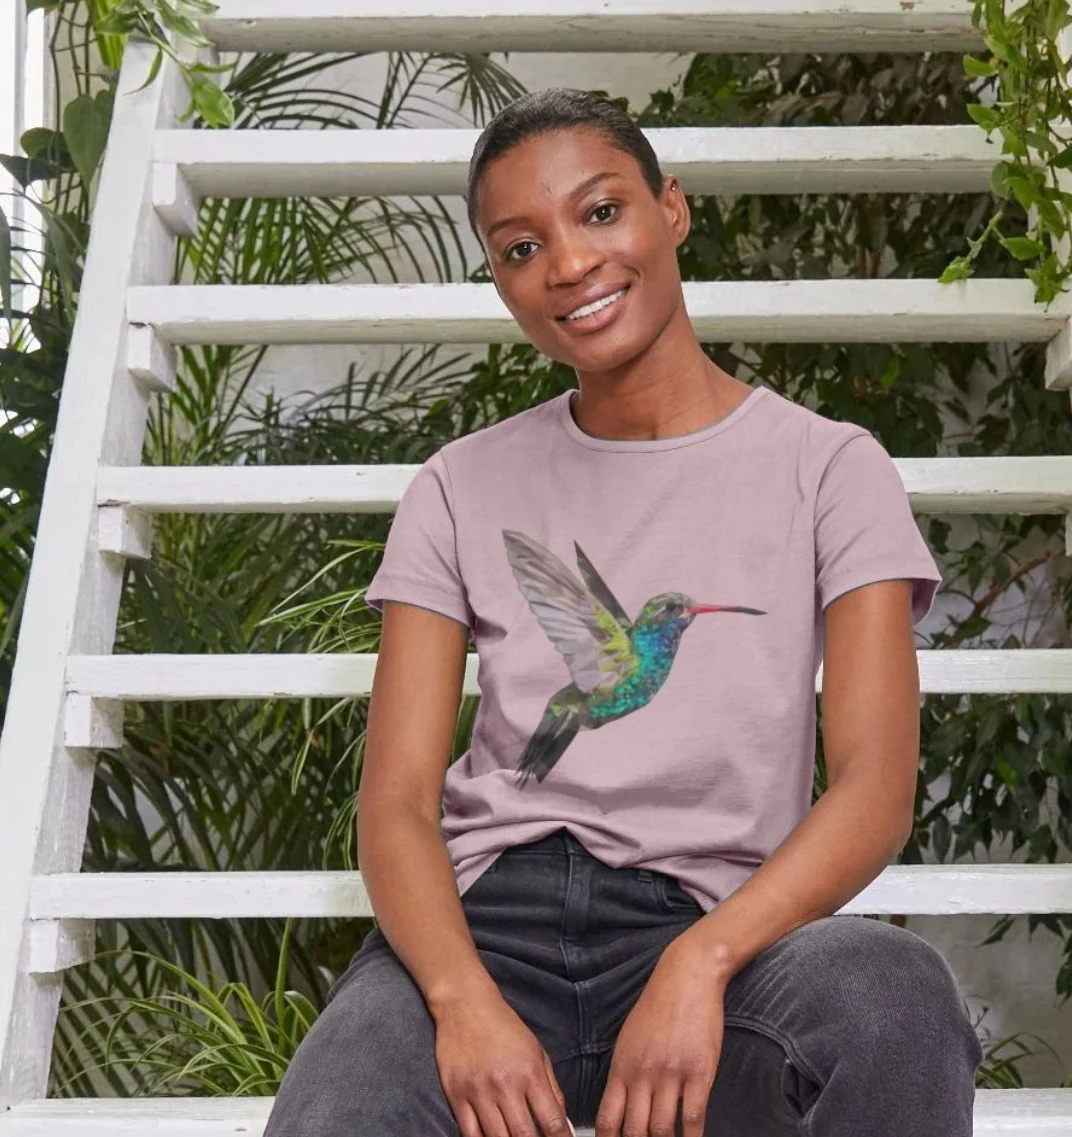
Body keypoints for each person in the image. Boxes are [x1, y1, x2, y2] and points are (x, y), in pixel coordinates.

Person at [264, 88, 984, 1137]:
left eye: (600, 211)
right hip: (486, 932)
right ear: (500, 279)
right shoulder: (459, 484)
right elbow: (399, 801)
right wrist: (461, 1002)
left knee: (894, 1000)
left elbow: (874, 789)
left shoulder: (829, 468)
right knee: (340, 1108)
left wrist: (703, 961)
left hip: (720, 934)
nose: (567, 264)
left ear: (671, 208)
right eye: (520, 248)